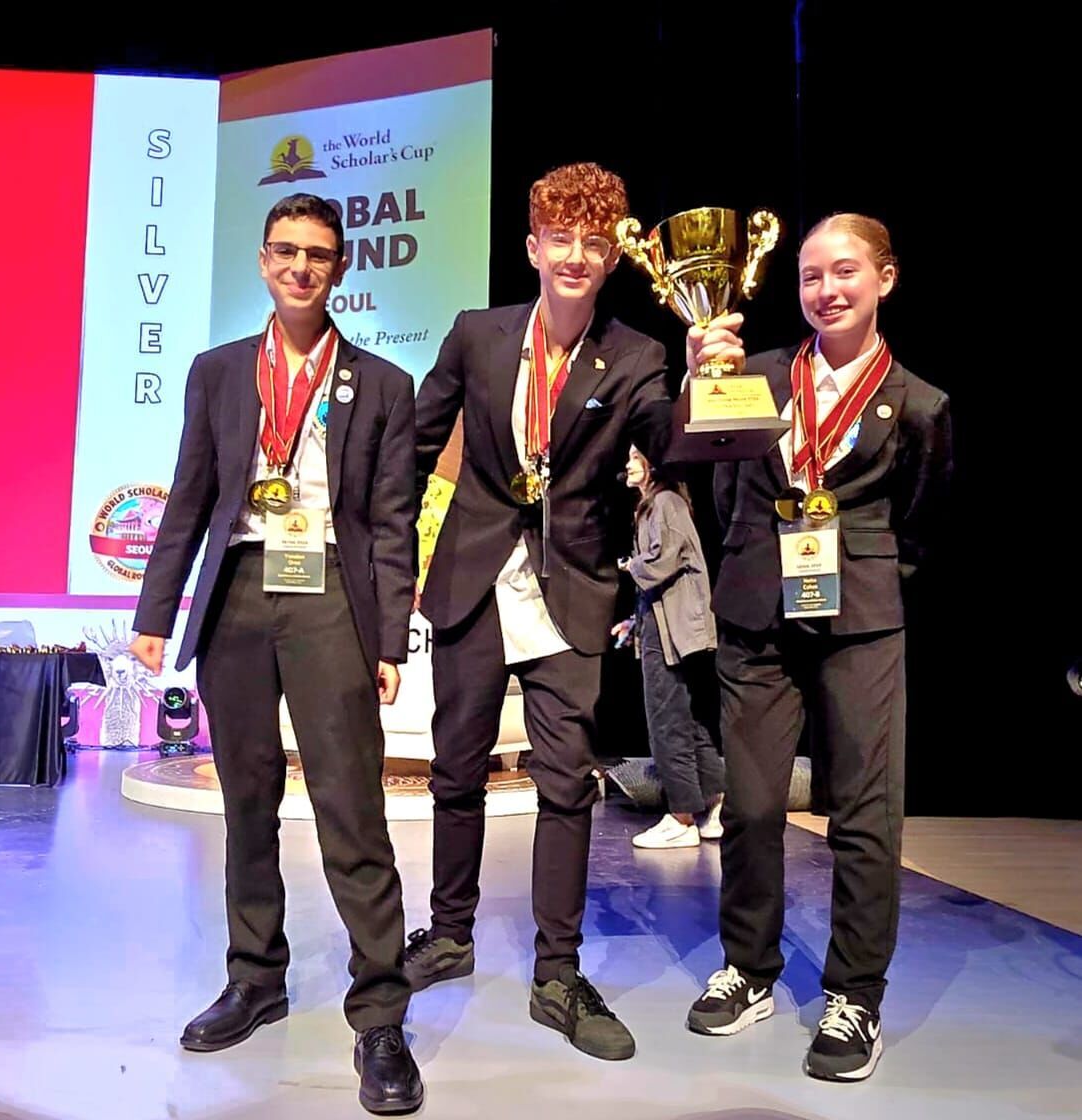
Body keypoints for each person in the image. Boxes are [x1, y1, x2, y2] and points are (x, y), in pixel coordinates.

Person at [405, 161, 744, 1061]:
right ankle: (449, 932)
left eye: (595, 242)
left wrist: (705, 381)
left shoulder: (636, 356)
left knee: (564, 785)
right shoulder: (477, 335)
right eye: (561, 239)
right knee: (456, 769)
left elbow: (671, 445)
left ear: (612, 257)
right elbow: (415, 449)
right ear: (533, 246)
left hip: (572, 589)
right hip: (475, 580)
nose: (576, 256)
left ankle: (557, 972)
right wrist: (386, 568)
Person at [128, 193, 423, 1115]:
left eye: (318, 254)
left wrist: (390, 636)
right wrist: (156, 610)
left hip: (330, 592)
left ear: (341, 269)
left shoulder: (383, 383)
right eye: (286, 251)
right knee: (247, 799)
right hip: (238, 594)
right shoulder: (218, 371)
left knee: (350, 806)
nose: (301, 267)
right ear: (263, 261)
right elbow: (190, 496)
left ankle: (380, 1013)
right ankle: (255, 978)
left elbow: (392, 523)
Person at [684, 213, 952, 1082]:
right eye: (809, 276)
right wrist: (696, 380)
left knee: (864, 814)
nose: (826, 290)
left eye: (844, 272)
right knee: (752, 805)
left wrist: (866, 575)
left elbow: (921, 521)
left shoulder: (919, 404)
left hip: (861, 619)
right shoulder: (756, 378)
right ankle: (748, 968)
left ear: (885, 279)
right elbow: (718, 478)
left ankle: (855, 996)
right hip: (757, 611)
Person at [613, 445, 725, 849]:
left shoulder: (665, 502)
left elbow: (664, 560)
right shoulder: (655, 506)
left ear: (653, 465)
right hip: (663, 625)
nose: (628, 464)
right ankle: (715, 802)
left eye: (635, 457)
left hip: (673, 632)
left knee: (666, 721)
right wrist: (634, 620)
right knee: (688, 719)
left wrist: (628, 566)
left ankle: (681, 817)